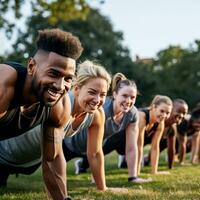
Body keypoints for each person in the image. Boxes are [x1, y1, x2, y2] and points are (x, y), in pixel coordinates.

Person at [0, 60, 112, 194]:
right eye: (92, 92)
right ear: (76, 89)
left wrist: (102, 188)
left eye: (102, 95)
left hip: (30, 163)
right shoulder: (60, 103)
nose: (97, 99)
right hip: (4, 155)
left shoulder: (97, 115)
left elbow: (94, 153)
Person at [0, 28, 83, 200]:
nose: (60, 86)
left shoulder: (59, 105)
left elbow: (51, 160)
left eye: (68, 78)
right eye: (53, 73)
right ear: (31, 66)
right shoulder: (4, 84)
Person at [73, 73, 150, 183]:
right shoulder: (103, 109)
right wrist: (97, 176)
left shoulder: (132, 114)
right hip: (71, 144)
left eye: (132, 97)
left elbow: (131, 147)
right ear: (114, 94)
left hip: (91, 148)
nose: (128, 101)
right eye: (124, 96)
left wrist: (133, 177)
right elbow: (96, 149)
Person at [142, 99, 188, 169]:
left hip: (149, 143)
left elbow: (171, 150)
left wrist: (170, 167)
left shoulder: (172, 128)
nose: (181, 115)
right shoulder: (157, 120)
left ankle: (146, 160)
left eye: (184, 113)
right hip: (130, 144)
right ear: (171, 110)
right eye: (178, 111)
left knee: (161, 143)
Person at [136, 95, 173, 175]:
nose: (164, 116)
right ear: (154, 107)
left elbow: (155, 148)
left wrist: (154, 171)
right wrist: (136, 173)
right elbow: (139, 145)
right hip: (118, 140)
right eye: (162, 111)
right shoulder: (142, 116)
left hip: (130, 147)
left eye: (168, 113)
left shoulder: (160, 123)